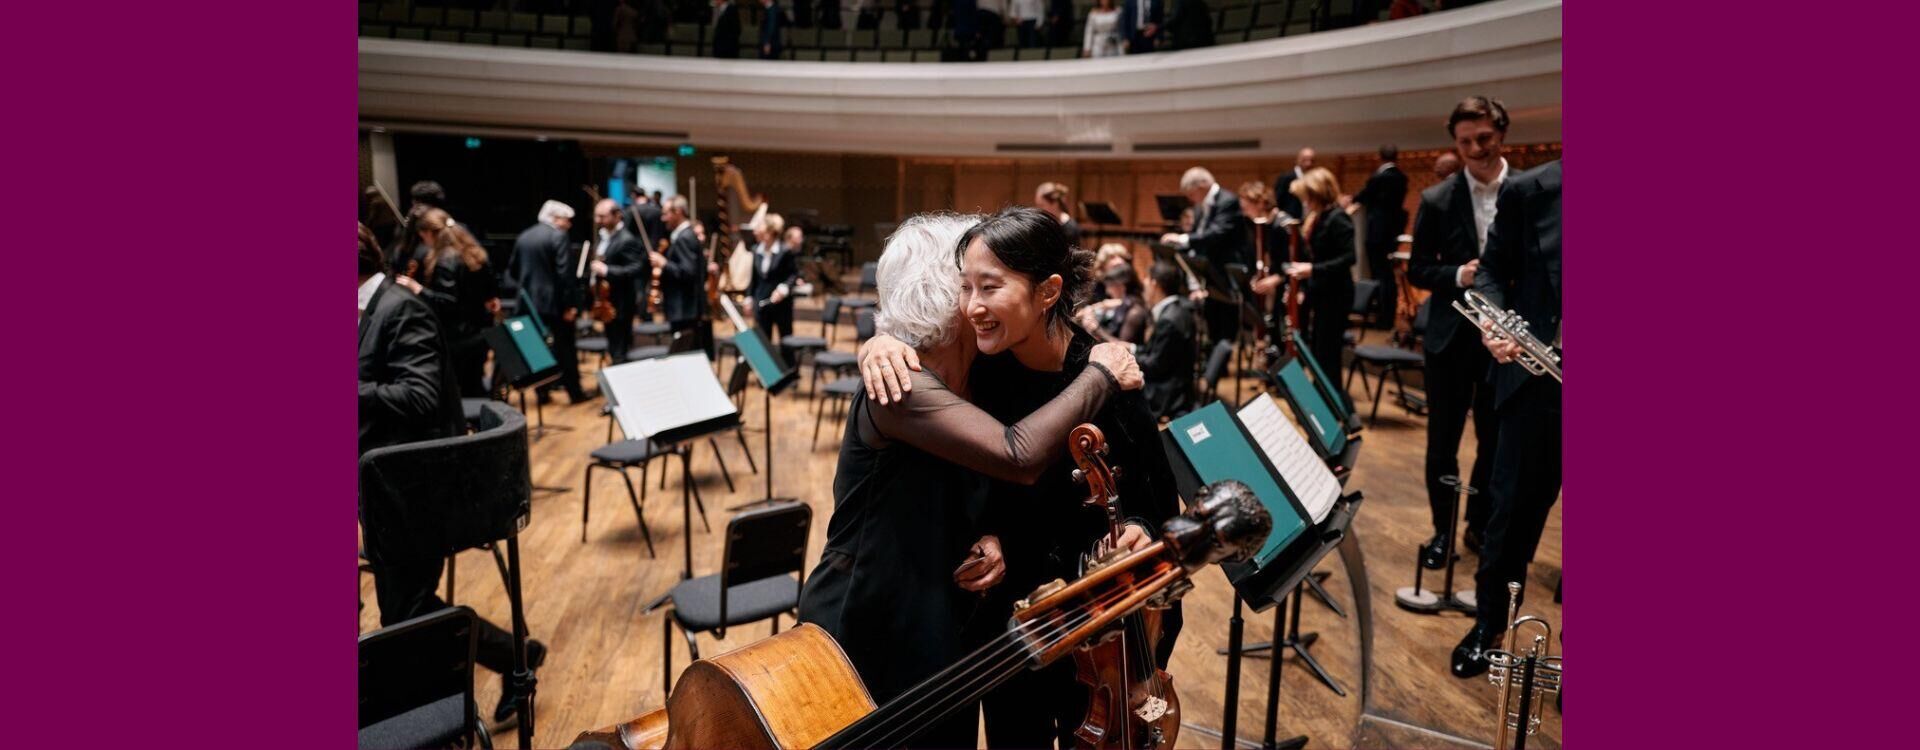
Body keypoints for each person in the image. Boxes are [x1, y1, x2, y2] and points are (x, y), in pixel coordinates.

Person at [798, 213, 1145, 750]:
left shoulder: (980, 372)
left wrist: (990, 533)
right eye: (968, 281)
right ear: (947, 293)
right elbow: (1018, 454)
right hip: (872, 611)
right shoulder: (903, 382)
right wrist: (1100, 373)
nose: (979, 296)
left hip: (940, 611)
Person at [358, 222, 544, 723]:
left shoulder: (401, 309)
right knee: (402, 607)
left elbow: (418, 395)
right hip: (387, 482)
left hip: (415, 486)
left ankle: (512, 658)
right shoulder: (374, 309)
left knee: (406, 609)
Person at [1453, 159, 1560, 679]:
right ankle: (1488, 623)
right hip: (1535, 380)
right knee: (1509, 514)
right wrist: (1493, 323)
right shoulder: (1529, 189)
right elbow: (1492, 270)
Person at [1408, 95, 1510, 570]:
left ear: (1502, 134)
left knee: (1495, 442)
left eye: (1484, 138)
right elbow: (1418, 270)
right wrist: (1457, 276)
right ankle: (1442, 533)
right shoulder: (1436, 199)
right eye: (1466, 140)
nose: (1476, 148)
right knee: (1442, 443)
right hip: (1451, 338)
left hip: (1506, 341)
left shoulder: (1529, 191)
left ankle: (1477, 524)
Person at [1283, 167, 1355, 410]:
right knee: (1318, 351)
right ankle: (1325, 403)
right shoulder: (1319, 216)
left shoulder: (1338, 218)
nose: (1305, 201)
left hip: (1336, 294)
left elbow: (1348, 258)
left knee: (1328, 355)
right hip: (1321, 292)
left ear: (1319, 193)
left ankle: (1337, 408)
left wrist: (1312, 270)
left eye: (1307, 196)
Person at [1160, 166, 1252, 352]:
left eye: (1190, 193)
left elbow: (1217, 233)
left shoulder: (1228, 201)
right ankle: (1213, 364)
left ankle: (1219, 365)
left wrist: (1183, 239)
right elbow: (1199, 235)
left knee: (1225, 325)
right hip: (1210, 273)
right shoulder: (1200, 206)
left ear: (1202, 185)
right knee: (1212, 323)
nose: (1189, 198)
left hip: (1227, 275)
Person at [412, 208, 500, 398]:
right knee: (475, 384)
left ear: (429, 233)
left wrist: (418, 289)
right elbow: (491, 290)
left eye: (422, 235)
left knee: (462, 392)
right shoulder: (473, 251)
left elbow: (447, 303)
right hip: (480, 332)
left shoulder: (445, 260)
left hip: (458, 339)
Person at [510, 200, 591, 403]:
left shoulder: (524, 236)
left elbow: (512, 271)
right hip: (556, 304)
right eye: (566, 220)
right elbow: (565, 275)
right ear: (555, 218)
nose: (569, 225)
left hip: (529, 303)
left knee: (537, 349)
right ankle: (574, 392)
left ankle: (542, 393)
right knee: (565, 347)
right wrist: (570, 305)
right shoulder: (558, 236)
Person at [1353, 145, 1410, 327]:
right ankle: (1387, 315)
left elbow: (1361, 197)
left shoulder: (1378, 177)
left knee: (1380, 275)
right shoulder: (1401, 178)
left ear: (1380, 157)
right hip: (1392, 234)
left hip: (1376, 234)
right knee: (1387, 275)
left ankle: (1381, 316)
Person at [1132, 262, 1197, 418]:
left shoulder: (1169, 320)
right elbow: (1158, 352)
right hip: (1176, 385)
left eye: (1146, 280)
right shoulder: (1179, 309)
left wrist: (1126, 357)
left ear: (1155, 284)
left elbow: (1156, 366)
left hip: (1167, 393)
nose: (1144, 286)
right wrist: (1131, 348)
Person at [588, 199, 650, 363]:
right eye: (596, 216)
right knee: (613, 344)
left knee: (620, 347)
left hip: (621, 302)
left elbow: (636, 269)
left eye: (602, 216)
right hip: (606, 300)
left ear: (617, 216)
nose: (598, 221)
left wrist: (607, 270)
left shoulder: (626, 239)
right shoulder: (604, 237)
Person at [656, 195, 714, 357]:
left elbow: (688, 272)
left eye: (666, 213)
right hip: (688, 307)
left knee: (684, 356)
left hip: (684, 307)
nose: (663, 218)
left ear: (678, 212)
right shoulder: (687, 235)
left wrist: (664, 263)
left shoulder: (684, 237)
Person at [746, 213, 798, 342]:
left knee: (786, 343)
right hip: (761, 303)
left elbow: (793, 275)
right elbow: (754, 278)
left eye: (759, 227)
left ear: (769, 231)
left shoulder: (785, 251)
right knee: (763, 343)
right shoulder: (756, 250)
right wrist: (749, 298)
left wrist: (783, 289)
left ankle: (788, 364)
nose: (755, 231)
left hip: (781, 305)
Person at [1077, 264, 1148, 346]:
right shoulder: (1124, 304)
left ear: (1121, 286)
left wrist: (1096, 330)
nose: (1107, 291)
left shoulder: (1135, 312)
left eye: (1110, 286)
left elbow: (1123, 348)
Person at [1033, 181, 1081, 249]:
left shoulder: (1070, 228)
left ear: (1055, 203)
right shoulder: (1040, 223)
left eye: (1042, 205)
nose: (1039, 209)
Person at [1273, 147, 1315, 222]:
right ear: (1298, 160)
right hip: (1290, 220)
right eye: (1305, 160)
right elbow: (1277, 199)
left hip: (1308, 220)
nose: (1309, 163)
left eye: (1312, 160)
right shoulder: (1286, 177)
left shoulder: (1314, 179)